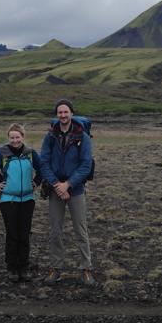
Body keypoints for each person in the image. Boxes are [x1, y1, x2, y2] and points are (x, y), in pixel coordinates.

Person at [39, 99, 95, 285]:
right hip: (55, 190)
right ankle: (55, 267)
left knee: (81, 229)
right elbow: (43, 162)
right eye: (60, 112)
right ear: (57, 115)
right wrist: (57, 184)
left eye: (66, 112)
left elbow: (86, 165)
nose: (63, 115)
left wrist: (68, 184)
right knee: (55, 230)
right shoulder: (50, 136)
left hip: (76, 190)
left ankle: (86, 268)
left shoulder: (82, 137)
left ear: (72, 113)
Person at [0, 123, 44, 283]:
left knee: (24, 234)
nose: (15, 140)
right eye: (12, 137)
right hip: (8, 200)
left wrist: (37, 182)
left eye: (18, 137)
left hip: (28, 200)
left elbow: (42, 169)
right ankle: (12, 268)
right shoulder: (2, 153)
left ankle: (23, 267)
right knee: (12, 234)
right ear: (8, 138)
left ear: (23, 137)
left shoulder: (31, 153)